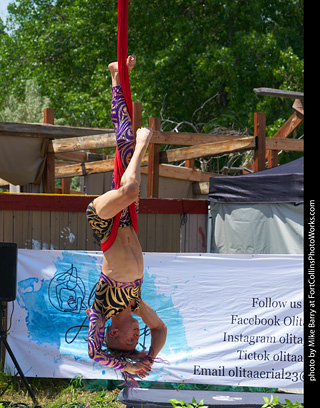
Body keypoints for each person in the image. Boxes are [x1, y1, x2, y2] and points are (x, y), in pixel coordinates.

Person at [86, 55, 167, 380]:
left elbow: (94, 352)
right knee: (123, 146)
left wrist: (123, 364)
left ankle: (145, 142)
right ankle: (116, 76)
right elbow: (160, 329)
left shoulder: (101, 309)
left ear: (113, 335)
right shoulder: (135, 305)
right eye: (139, 340)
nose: (139, 335)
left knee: (131, 184)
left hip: (103, 223)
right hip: (127, 222)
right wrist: (146, 357)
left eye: (133, 340)